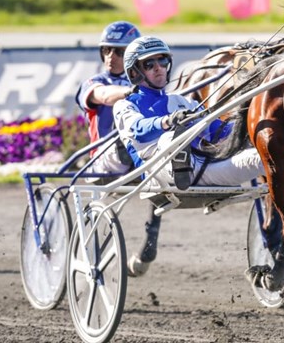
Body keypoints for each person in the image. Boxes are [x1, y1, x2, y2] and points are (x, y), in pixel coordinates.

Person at [113, 35, 265, 275]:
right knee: (170, 138)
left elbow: (220, 132)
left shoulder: (181, 101)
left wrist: (247, 124)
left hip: (203, 171)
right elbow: (139, 130)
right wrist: (167, 122)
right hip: (158, 175)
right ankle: (181, 151)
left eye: (162, 61)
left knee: (262, 156)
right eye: (149, 64)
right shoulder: (125, 106)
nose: (159, 68)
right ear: (135, 73)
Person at [75, 21, 141, 170]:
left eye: (119, 52)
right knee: (122, 142)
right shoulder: (93, 82)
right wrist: (131, 92)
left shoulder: (144, 82)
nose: (111, 56)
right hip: (104, 157)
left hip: (140, 155)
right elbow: (104, 95)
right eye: (106, 49)